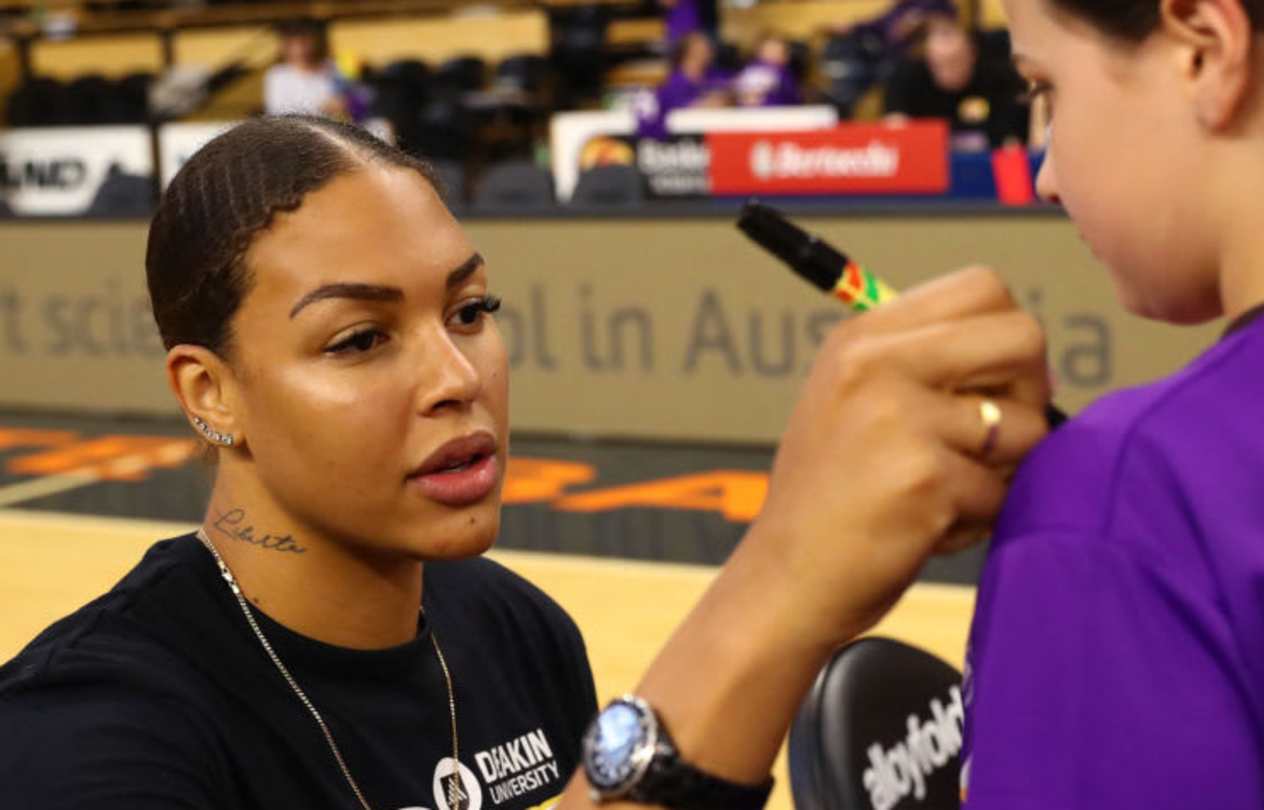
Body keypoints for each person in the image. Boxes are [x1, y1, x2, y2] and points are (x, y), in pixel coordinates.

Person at [0, 113, 1053, 805]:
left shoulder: (516, 629)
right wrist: (777, 585)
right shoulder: (86, 732)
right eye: (359, 339)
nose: (456, 375)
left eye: (470, 309)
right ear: (209, 393)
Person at [549, 0, 1264, 809]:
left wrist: (776, 578)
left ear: (1203, 49)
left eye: (1044, 89)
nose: (1046, 174)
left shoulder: (1121, 499)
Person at [884, 16, 1028, 151]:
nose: (947, 72)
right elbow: (895, 127)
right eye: (939, 65)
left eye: (954, 62)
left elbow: (1012, 140)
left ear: (972, 54)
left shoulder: (998, 80)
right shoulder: (908, 78)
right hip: (926, 160)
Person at [264, 19, 354, 119]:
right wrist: (321, 107)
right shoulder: (277, 75)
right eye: (293, 44)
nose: (299, 49)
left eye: (304, 42)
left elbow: (351, 99)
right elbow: (276, 112)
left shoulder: (334, 67)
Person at [733, 33, 802, 107]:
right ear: (759, 52)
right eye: (769, 51)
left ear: (785, 56)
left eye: (778, 52)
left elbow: (793, 96)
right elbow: (738, 88)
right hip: (752, 110)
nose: (773, 55)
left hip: (780, 109)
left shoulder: (786, 74)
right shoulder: (751, 70)